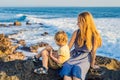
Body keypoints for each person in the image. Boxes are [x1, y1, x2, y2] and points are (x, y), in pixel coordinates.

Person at [59, 12, 102, 80]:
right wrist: (61, 56)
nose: (77, 24)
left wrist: (92, 64)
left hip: (84, 59)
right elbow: (68, 47)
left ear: (85, 23)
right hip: (73, 56)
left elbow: (93, 52)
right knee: (66, 75)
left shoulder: (94, 35)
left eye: (79, 22)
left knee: (77, 75)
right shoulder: (76, 32)